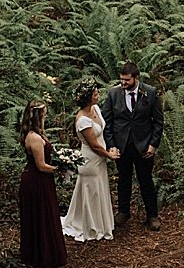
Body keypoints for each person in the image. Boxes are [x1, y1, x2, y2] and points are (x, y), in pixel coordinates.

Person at [101, 61, 165, 230]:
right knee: (123, 179)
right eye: (121, 79)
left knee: (146, 181)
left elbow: (158, 122)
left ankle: (152, 215)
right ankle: (123, 212)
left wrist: (153, 144)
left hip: (143, 145)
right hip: (121, 146)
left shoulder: (150, 92)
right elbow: (107, 122)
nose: (123, 83)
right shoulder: (113, 93)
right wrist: (111, 145)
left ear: (136, 78)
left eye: (127, 80)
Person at [62, 79, 119, 242]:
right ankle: (92, 226)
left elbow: (103, 133)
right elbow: (94, 145)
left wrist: (110, 147)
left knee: (100, 189)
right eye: (95, 94)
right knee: (92, 193)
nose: (98, 95)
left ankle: (102, 223)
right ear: (87, 98)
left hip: (100, 159)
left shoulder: (95, 108)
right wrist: (109, 155)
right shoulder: (82, 120)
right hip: (90, 160)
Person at [18, 100, 67, 268]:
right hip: (36, 181)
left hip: (42, 180)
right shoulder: (34, 138)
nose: (46, 116)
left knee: (45, 213)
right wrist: (61, 169)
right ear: (39, 115)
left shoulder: (37, 134)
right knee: (41, 214)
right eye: (44, 113)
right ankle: (41, 256)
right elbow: (41, 166)